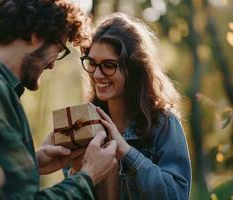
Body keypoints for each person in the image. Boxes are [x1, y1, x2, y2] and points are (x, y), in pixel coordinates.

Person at [0, 0, 118, 199]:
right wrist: (88, 176)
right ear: (36, 35)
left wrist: (30, 163)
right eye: (58, 51)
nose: (52, 66)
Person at [69, 12, 192, 199]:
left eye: (108, 65)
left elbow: (176, 194)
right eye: (92, 63)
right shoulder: (82, 122)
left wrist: (126, 151)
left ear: (134, 68)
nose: (97, 74)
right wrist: (78, 170)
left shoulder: (164, 124)